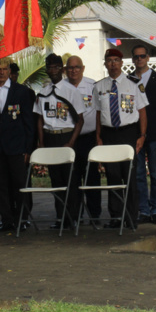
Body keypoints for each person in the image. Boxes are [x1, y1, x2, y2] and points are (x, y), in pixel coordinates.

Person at [93, 48, 148, 229]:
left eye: (116, 60)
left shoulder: (134, 84)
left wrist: (142, 135)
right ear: (105, 64)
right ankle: (116, 216)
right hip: (109, 134)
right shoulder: (99, 87)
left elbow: (142, 111)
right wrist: (98, 137)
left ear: (122, 63)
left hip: (128, 133)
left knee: (130, 176)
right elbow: (98, 114)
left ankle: (131, 217)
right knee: (113, 176)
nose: (113, 64)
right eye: (109, 60)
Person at [0, 58, 36, 232]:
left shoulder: (22, 91)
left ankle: (22, 218)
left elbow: (28, 122)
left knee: (20, 183)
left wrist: (28, 149)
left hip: (17, 146)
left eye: (4, 69)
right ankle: (7, 219)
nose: (2, 72)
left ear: (10, 71)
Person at [35, 53, 85, 229]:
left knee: (70, 179)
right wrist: (42, 143)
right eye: (50, 67)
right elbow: (40, 119)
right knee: (56, 180)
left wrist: (71, 142)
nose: (53, 70)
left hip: (66, 136)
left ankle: (73, 217)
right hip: (50, 137)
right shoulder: (43, 92)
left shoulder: (71, 90)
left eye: (56, 67)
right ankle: (60, 217)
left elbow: (80, 120)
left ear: (62, 69)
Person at [130, 45, 156, 225]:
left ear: (148, 58)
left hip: (155, 134)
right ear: (133, 59)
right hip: (136, 134)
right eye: (136, 57)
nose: (139, 59)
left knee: (155, 174)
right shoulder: (128, 80)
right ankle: (143, 210)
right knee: (138, 174)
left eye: (142, 56)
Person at [66, 56, 101, 224]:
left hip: (89, 138)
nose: (74, 71)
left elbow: (99, 112)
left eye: (77, 67)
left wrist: (99, 137)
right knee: (73, 178)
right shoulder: (61, 87)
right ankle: (75, 215)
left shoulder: (93, 86)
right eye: (70, 68)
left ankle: (95, 215)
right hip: (69, 139)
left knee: (92, 177)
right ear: (66, 70)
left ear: (83, 68)